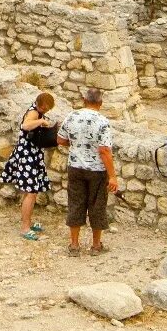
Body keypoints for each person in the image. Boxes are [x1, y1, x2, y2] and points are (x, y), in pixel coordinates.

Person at [55, 87, 117, 257]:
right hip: (96, 170)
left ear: (84, 100)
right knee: (97, 206)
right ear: (101, 103)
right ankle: (96, 246)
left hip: (75, 167)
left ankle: (74, 245)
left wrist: (76, 146)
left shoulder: (72, 116)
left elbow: (60, 140)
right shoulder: (103, 121)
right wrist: (112, 176)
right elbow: (104, 151)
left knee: (75, 203)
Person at [0, 92, 57, 241]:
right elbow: (25, 125)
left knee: (31, 192)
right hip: (27, 157)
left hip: (33, 156)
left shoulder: (38, 112)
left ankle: (28, 222)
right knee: (30, 193)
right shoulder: (33, 112)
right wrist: (40, 122)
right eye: (45, 108)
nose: (46, 111)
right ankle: (25, 228)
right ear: (40, 105)